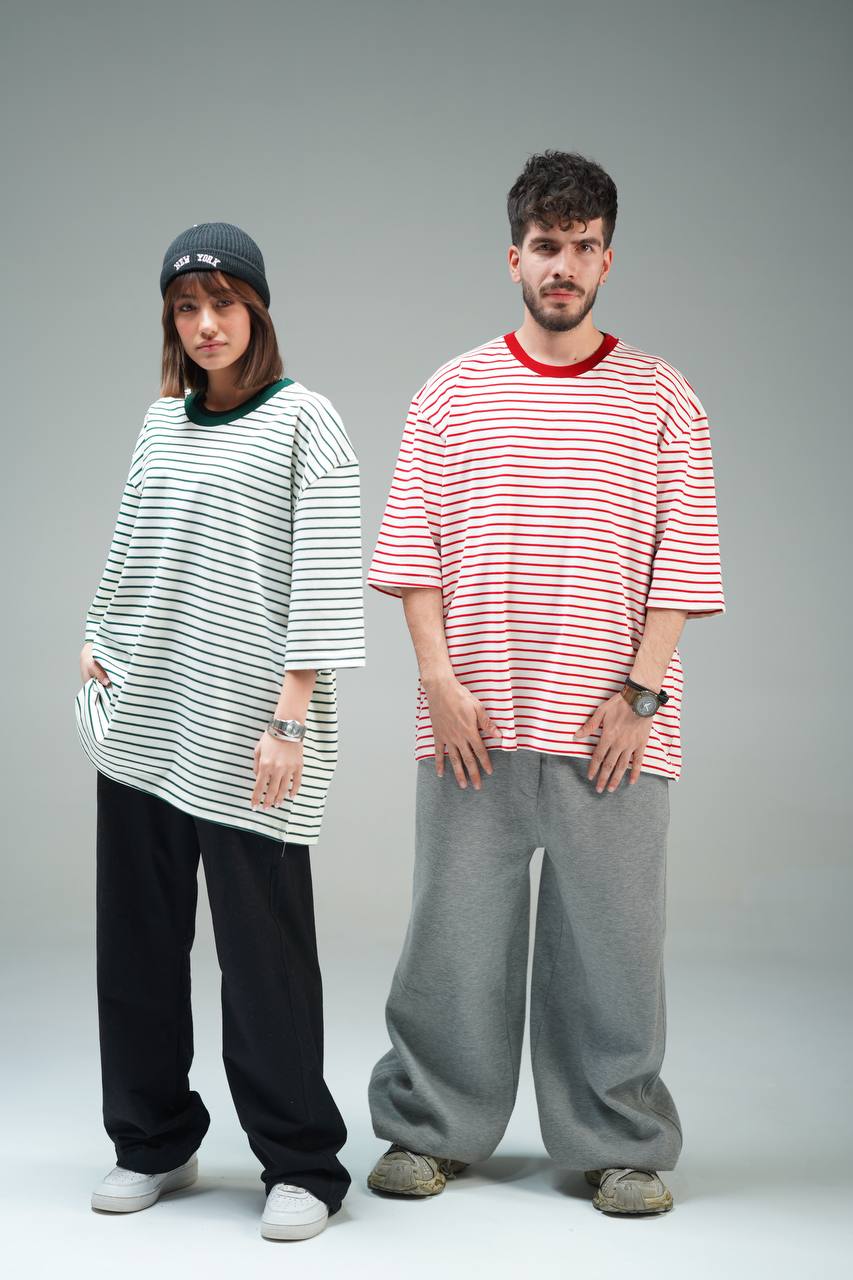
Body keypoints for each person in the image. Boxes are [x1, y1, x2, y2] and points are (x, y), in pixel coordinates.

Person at [365, 152, 725, 1215]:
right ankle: (430, 1127)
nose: (561, 265)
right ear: (512, 257)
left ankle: (617, 1142)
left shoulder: (663, 397)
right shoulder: (449, 393)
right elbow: (412, 553)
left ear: (607, 259)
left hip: (613, 727)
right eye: (543, 246)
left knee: (614, 950)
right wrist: (437, 681)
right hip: (470, 722)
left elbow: (682, 561)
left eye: (581, 246)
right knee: (450, 942)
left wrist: (641, 696)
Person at [75, 222, 365, 1240]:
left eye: (223, 304)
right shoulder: (162, 423)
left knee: (264, 959)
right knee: (138, 948)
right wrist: (97, 636)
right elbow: (132, 544)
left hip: (250, 734)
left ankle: (301, 1162)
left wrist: (290, 718)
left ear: (257, 311)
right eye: (186, 309)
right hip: (147, 718)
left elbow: (324, 578)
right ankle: (152, 1139)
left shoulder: (306, 420)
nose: (206, 324)